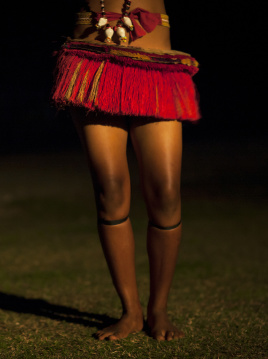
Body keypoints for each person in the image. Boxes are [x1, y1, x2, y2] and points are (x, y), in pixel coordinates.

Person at [52, 0, 200, 341]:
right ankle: (131, 311)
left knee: (165, 190)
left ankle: (158, 309)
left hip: (154, 58)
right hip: (93, 51)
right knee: (110, 187)